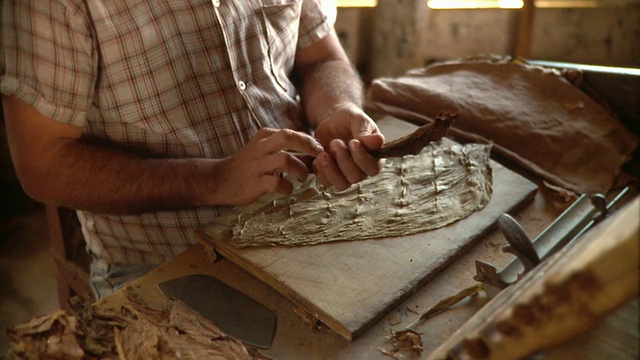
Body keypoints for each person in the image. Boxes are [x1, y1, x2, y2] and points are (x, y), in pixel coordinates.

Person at [1, 0, 385, 299]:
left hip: (307, 216)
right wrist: (215, 180)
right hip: (168, 259)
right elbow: (42, 163)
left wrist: (335, 107)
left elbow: (322, 58)